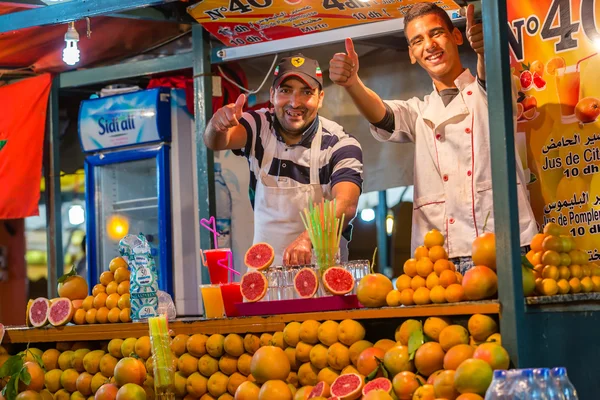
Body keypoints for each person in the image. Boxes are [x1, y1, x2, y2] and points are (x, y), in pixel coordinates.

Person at [329, 3, 537, 273]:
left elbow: (491, 84)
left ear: (457, 36)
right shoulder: (419, 110)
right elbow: (382, 115)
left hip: (504, 247)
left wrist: (487, 52)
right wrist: (352, 83)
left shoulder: (487, 91)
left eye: (436, 33)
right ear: (412, 54)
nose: (429, 45)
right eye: (418, 40)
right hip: (440, 258)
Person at [204, 55, 363, 267]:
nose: (294, 102)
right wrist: (217, 125)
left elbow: (346, 203)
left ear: (321, 97)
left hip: (322, 275)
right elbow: (216, 142)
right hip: (264, 277)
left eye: (306, 92)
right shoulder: (259, 126)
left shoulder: (340, 144)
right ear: (272, 94)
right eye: (285, 90)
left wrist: (307, 239)